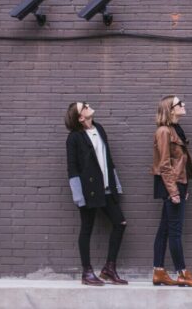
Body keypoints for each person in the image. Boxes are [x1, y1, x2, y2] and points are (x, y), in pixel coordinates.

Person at [65, 101, 128, 286]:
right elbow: (72, 169)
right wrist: (78, 196)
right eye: (84, 106)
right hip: (88, 191)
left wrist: (116, 184)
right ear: (80, 117)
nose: (88, 105)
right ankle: (87, 272)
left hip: (107, 189)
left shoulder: (99, 128)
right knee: (86, 229)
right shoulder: (74, 138)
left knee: (120, 223)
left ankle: (109, 268)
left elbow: (108, 158)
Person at [151, 95, 192, 287]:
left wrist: (184, 186)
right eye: (179, 103)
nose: (184, 104)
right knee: (175, 231)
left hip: (176, 183)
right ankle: (182, 273)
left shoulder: (175, 129)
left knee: (165, 229)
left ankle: (158, 271)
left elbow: (180, 162)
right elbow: (164, 164)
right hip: (170, 184)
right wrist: (174, 191)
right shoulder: (164, 132)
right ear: (170, 110)